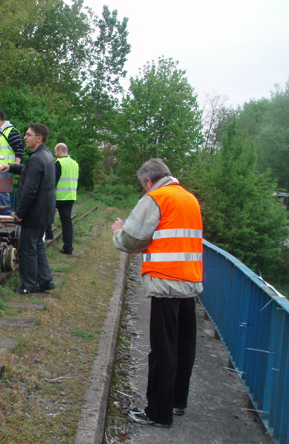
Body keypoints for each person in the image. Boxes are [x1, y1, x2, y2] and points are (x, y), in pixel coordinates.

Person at [110, 158, 203, 428]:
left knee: (163, 350)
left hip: (165, 281)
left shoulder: (156, 198)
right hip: (190, 281)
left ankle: (158, 412)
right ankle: (177, 401)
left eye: (144, 186)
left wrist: (118, 231)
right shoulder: (189, 198)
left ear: (149, 181)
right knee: (185, 347)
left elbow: (131, 240)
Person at [0, 123, 56, 294]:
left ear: (39, 138)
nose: (25, 137)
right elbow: (29, 170)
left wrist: (20, 213)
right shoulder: (46, 155)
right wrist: (12, 166)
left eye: (28, 135)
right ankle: (46, 281)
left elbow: (30, 190)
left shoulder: (38, 157)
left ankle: (29, 285)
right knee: (38, 245)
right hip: (44, 211)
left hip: (34, 212)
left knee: (27, 249)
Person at [0, 108, 24, 215]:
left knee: (1, 191)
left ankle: (5, 215)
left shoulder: (11, 131)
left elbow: (19, 148)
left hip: (4, 167)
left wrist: (16, 164)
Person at [44, 143, 79, 255]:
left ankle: (48, 235)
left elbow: (52, 181)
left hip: (58, 196)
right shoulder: (75, 164)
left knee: (47, 213)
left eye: (55, 151)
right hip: (70, 196)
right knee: (67, 222)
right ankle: (68, 248)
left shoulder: (59, 163)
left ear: (60, 150)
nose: (55, 154)